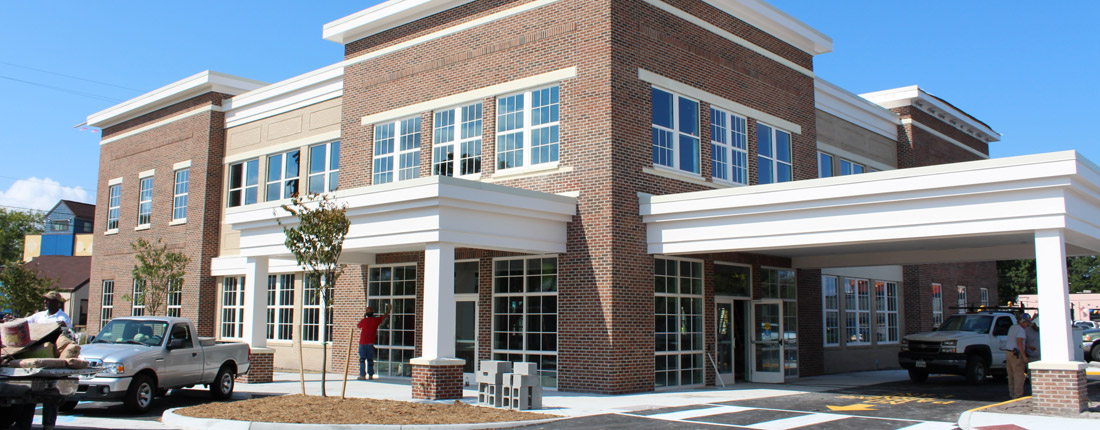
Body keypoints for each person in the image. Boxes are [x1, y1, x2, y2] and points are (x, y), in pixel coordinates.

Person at [356, 303, 391, 380]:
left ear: (366, 313)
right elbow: (384, 317)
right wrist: (388, 310)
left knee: (362, 360)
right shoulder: (376, 321)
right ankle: (370, 374)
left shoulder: (364, 321)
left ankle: (362, 375)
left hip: (362, 343)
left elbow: (358, 326)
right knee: (370, 360)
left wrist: (364, 317)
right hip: (370, 343)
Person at [1005, 313, 1031, 398]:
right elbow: (1019, 343)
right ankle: (1018, 394)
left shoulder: (1012, 327)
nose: (1027, 325)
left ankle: (1012, 393)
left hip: (1008, 353)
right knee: (1019, 375)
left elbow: (1016, 341)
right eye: (1027, 323)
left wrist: (1029, 346)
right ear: (1023, 322)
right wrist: (1024, 356)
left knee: (1011, 374)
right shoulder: (1021, 330)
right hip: (1016, 354)